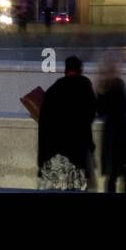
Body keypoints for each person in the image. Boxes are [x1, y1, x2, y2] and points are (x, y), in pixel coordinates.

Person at [37, 55, 98, 191]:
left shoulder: (53, 89)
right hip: (76, 150)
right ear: (80, 69)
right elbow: (92, 111)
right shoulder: (84, 85)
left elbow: (44, 120)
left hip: (54, 152)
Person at [96, 51, 126, 194]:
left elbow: (100, 111)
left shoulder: (100, 87)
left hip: (109, 133)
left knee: (111, 175)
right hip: (123, 131)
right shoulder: (118, 84)